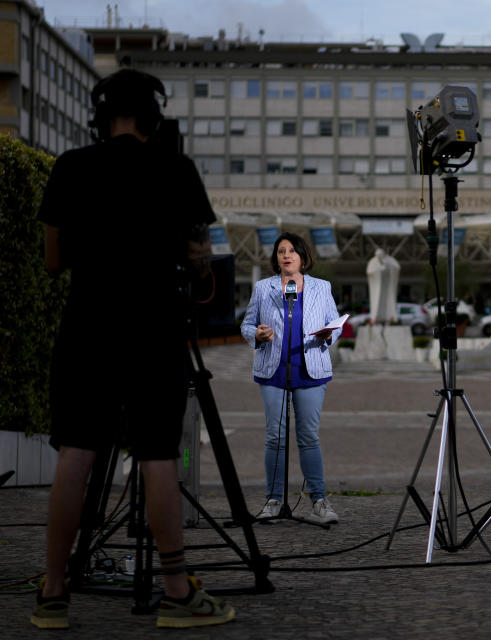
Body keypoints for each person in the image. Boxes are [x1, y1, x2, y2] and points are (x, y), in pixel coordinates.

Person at [31, 69, 234, 630]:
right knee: (158, 455)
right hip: (153, 329)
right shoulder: (176, 169)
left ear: (101, 115)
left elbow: (52, 262)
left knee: (75, 452)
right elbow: (200, 260)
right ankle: (176, 592)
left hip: (86, 327)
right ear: (153, 115)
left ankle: (52, 593)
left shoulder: (71, 166)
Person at [240, 232, 341, 524]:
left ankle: (319, 501)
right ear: (276, 258)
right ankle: (273, 501)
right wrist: (256, 334)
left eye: (292, 251)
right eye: (281, 251)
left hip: (310, 371)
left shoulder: (322, 287)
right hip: (273, 371)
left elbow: (335, 324)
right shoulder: (263, 288)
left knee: (309, 437)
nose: (286, 255)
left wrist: (329, 332)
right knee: (275, 438)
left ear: (302, 256)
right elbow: (247, 324)